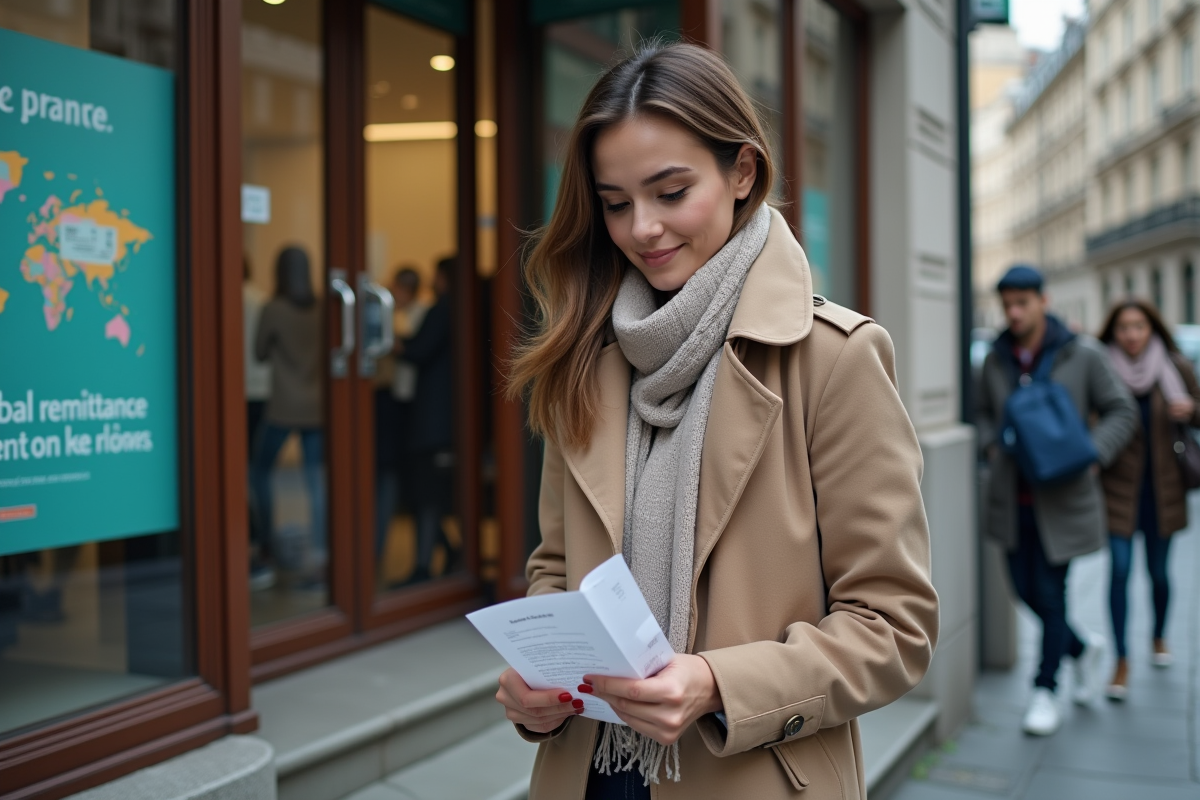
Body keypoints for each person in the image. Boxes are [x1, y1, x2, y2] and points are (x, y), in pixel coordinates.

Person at [498, 42, 939, 799]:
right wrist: (540, 681)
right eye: (614, 203)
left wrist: (716, 683)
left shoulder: (834, 358)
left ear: (742, 173)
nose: (642, 229)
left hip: (752, 774)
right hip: (590, 772)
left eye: (671, 192)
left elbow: (894, 628)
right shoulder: (586, 357)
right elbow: (556, 570)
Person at [977, 265, 1137, 736]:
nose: (1014, 312)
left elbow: (1120, 410)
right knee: (1023, 591)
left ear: (1044, 301)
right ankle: (1082, 648)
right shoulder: (996, 357)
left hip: (1062, 499)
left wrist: (1094, 454)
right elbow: (983, 411)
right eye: (1007, 304)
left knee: (1050, 593)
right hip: (1012, 497)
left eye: (1022, 302)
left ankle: (1045, 689)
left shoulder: (1080, 353)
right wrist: (991, 445)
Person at [1097, 298, 1200, 699]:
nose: (1132, 334)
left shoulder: (1175, 367)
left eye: (1139, 326)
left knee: (1158, 573)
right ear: (1114, 331)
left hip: (1163, 490)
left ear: (1152, 328)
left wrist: (1190, 409)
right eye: (1124, 327)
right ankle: (1121, 660)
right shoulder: (1102, 367)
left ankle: (1158, 636)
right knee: (1119, 572)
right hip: (1119, 490)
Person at [251, 246, 325, 584]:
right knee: (316, 484)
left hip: (282, 405)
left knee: (260, 473)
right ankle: (320, 559)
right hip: (316, 406)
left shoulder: (274, 308)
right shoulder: (323, 307)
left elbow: (260, 352)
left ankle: (267, 546)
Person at [397, 257, 457, 584]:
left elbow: (419, 350)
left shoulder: (444, 307)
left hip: (432, 419)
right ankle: (452, 553)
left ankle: (423, 568)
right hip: (450, 419)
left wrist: (392, 344)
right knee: (436, 492)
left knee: (426, 493)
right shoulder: (469, 307)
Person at [243, 256, 273, 589]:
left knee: (244, 474)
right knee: (254, 472)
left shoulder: (220, 298)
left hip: (236, 393)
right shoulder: (262, 299)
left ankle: (255, 543)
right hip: (263, 394)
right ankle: (263, 544)